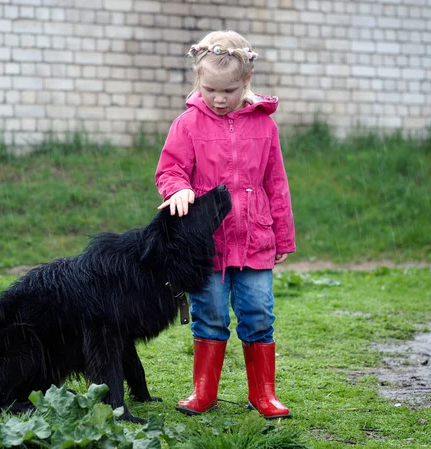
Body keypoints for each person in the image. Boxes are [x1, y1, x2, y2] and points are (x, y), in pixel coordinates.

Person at [154, 30, 295, 419]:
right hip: (206, 246)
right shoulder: (186, 124)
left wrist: (283, 236)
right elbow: (170, 169)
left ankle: (263, 394)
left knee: (259, 314)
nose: (219, 98)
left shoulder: (266, 127)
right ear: (198, 80)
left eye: (229, 90)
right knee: (210, 315)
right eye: (210, 88)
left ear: (246, 81)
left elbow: (276, 184)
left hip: (255, 241)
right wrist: (178, 189)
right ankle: (204, 392)